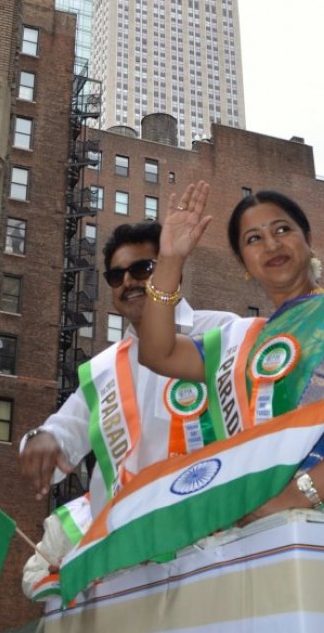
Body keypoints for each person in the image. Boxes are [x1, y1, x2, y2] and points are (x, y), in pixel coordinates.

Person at [136, 183, 324, 524]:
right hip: (270, 539)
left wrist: (294, 497)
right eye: (253, 239)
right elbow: (157, 353)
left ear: (308, 241)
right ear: (244, 265)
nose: (271, 244)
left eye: (282, 229)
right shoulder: (244, 343)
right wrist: (171, 258)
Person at [19, 220, 236, 516]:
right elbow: (63, 431)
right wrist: (42, 439)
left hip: (210, 530)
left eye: (141, 269)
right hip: (125, 544)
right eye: (116, 276)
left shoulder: (222, 331)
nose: (128, 282)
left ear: (174, 271)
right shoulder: (101, 370)